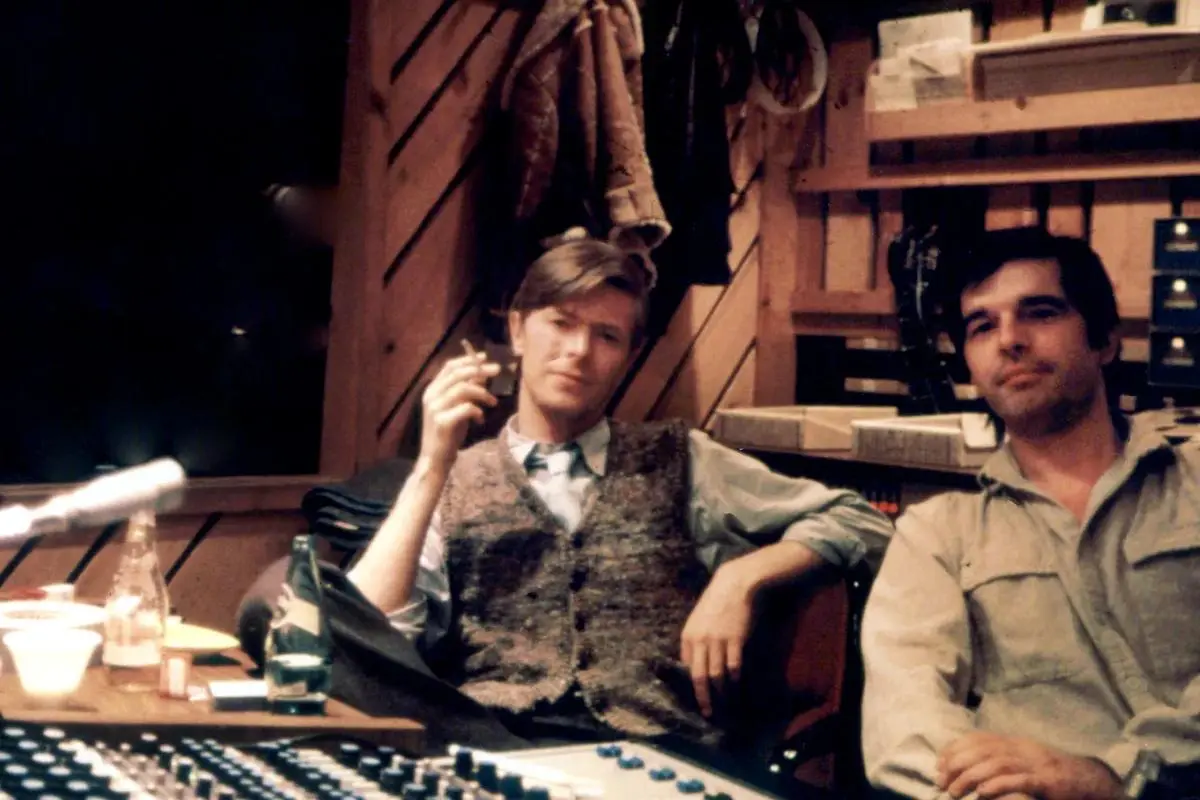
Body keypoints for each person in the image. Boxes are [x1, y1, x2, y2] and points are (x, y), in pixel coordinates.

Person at [348, 237, 893, 746]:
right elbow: (362, 638)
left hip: (658, 753)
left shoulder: (682, 459)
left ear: (628, 356)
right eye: (560, 323)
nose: (579, 351)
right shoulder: (453, 478)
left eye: (606, 336)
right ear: (517, 330)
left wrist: (741, 578)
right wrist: (429, 467)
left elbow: (862, 521)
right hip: (498, 748)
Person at [861, 227, 1200, 800]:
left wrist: (1118, 774)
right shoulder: (940, 532)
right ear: (970, 363)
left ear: (1105, 341)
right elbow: (904, 715)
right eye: (982, 326)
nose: (1009, 340)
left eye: (1039, 312)